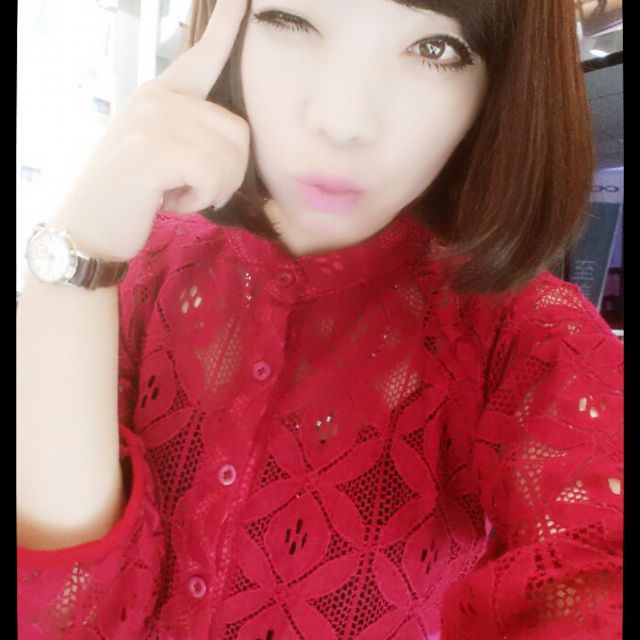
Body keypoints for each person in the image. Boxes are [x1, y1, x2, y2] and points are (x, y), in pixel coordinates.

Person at [17, 0, 623, 638]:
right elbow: (57, 615)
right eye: (290, 21)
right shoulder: (137, 266)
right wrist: (82, 253)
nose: (341, 122)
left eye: (435, 49)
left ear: (500, 81)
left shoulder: (521, 337)